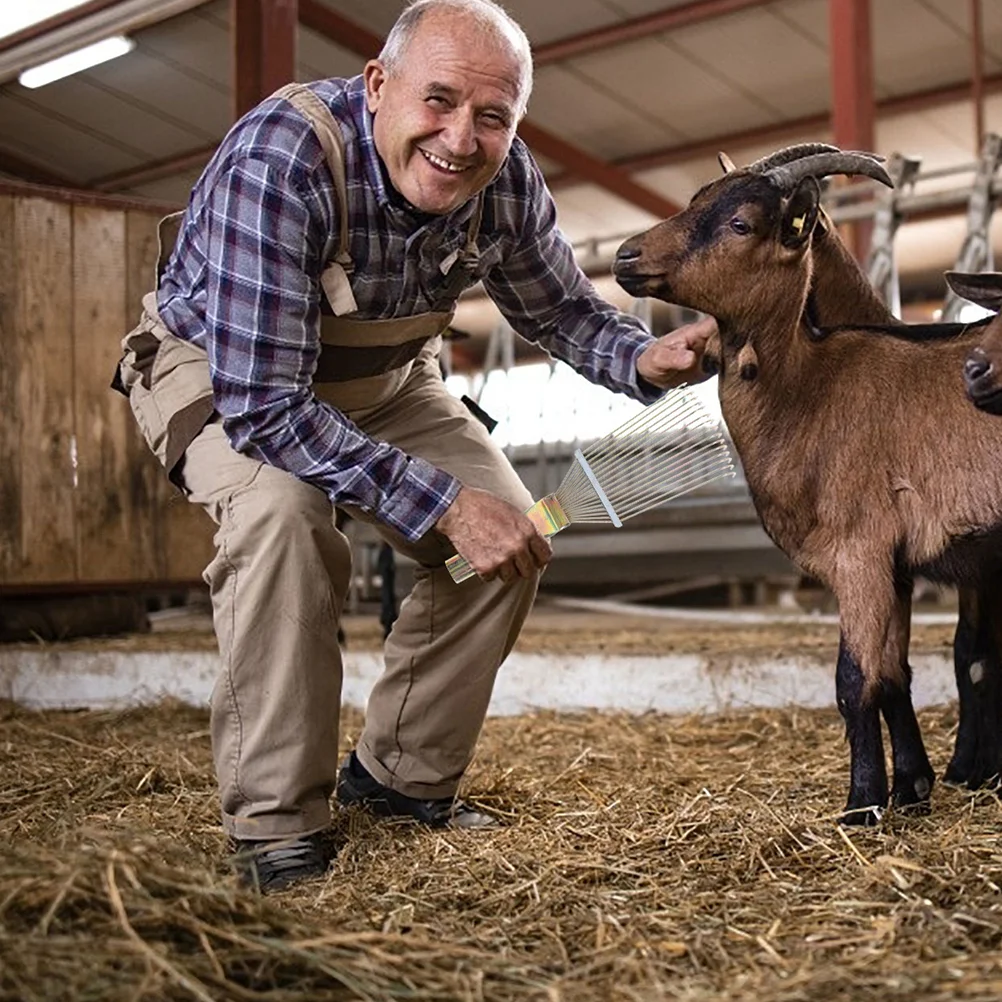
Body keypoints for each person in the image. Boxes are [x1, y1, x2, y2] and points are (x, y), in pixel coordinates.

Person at [115, 0, 714, 892]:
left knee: (512, 531)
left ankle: (400, 779)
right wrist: (440, 502)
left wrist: (645, 356)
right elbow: (269, 409)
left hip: (387, 378)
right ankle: (277, 821)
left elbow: (560, 310)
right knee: (283, 519)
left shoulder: (504, 179)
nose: (461, 138)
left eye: (492, 116)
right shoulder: (284, 158)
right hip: (224, 376)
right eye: (438, 101)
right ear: (378, 84)